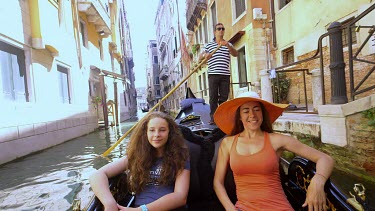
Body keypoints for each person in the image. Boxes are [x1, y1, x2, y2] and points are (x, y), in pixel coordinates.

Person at [212, 91, 335, 211]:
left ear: (262, 113)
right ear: (239, 116)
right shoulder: (227, 144)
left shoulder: (277, 140)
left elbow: (325, 159)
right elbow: (218, 182)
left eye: (256, 109)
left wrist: (318, 181)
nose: (252, 115)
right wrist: (230, 208)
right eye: (246, 111)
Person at [89, 111, 190, 211]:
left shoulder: (180, 156)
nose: (156, 135)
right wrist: (110, 203)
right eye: (152, 130)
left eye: (162, 130)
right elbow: (97, 175)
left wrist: (141, 210)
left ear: (170, 133)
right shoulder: (137, 156)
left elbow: (180, 197)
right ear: (145, 133)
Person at [200, 23, 238, 125]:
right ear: (215, 32)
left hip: (225, 74)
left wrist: (228, 46)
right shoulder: (209, 45)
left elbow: (236, 54)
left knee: (224, 97)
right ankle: (213, 118)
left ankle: (222, 116)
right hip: (213, 74)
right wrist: (205, 55)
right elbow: (200, 57)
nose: (221, 30)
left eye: (222, 28)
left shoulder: (228, 44)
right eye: (219, 29)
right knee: (213, 97)